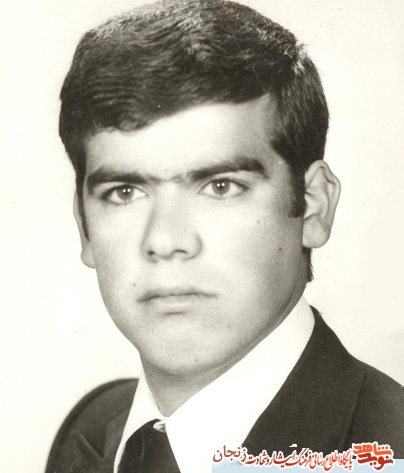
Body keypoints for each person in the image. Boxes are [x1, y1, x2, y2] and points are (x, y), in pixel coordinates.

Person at [45, 0, 404, 472]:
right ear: (85, 227)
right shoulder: (91, 430)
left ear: (313, 206)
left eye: (220, 186)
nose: (166, 240)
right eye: (124, 192)